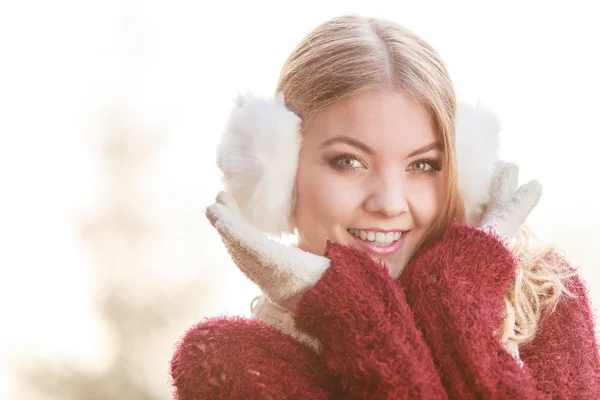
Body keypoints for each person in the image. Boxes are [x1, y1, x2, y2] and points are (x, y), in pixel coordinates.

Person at [169, 14, 600, 399]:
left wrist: (452, 292)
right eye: (349, 162)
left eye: (423, 164)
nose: (390, 203)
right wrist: (351, 311)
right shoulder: (229, 363)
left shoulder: (543, 298)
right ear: (277, 170)